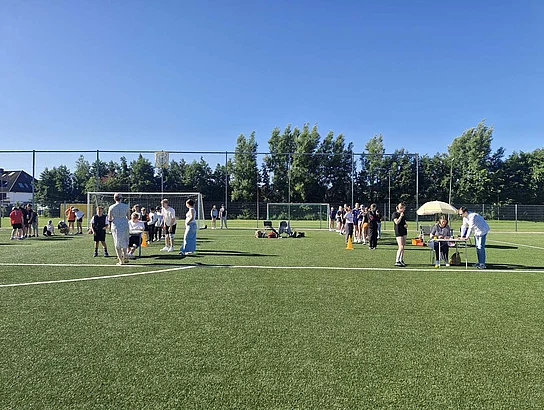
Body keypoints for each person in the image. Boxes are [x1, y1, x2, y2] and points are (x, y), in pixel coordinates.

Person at [108, 193, 130, 265]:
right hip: (124, 224)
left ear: (114, 199)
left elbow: (109, 218)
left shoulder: (111, 207)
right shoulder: (126, 206)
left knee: (117, 242)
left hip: (116, 225)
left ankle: (120, 260)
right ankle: (125, 255)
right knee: (125, 240)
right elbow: (129, 217)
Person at [392, 202, 408, 267]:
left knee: (403, 247)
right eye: (401, 208)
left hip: (404, 231)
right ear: (398, 208)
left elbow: (404, 222)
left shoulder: (403, 214)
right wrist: (400, 216)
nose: (403, 209)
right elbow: (396, 222)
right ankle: (397, 260)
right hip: (398, 231)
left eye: (403, 208)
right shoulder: (395, 214)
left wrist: (406, 225)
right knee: (400, 247)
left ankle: (401, 260)